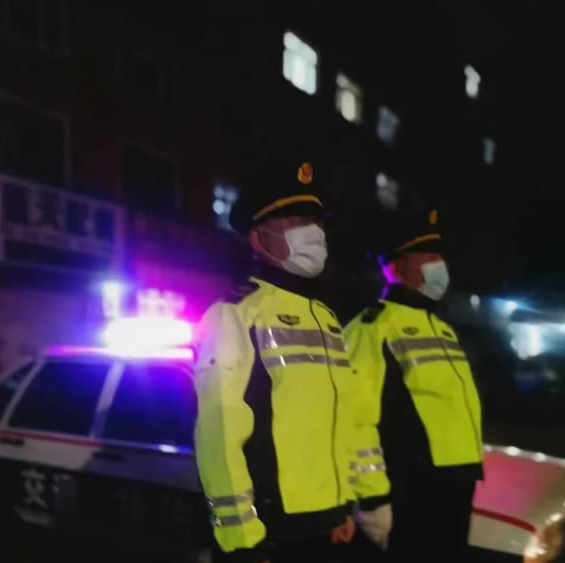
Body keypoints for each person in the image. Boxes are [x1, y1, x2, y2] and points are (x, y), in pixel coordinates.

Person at [194, 160, 391, 563]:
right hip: (269, 531)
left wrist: (342, 507)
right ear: (258, 238)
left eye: (315, 220)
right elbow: (219, 433)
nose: (313, 231)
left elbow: (341, 421)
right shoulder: (235, 314)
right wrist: (242, 541)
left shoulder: (326, 318)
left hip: (326, 527)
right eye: (296, 220)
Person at [344, 201, 484, 562]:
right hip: (408, 493)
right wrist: (372, 499)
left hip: (454, 487)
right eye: (426, 254)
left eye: (439, 253)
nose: (438, 262)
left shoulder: (442, 329)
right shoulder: (372, 328)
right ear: (394, 267)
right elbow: (355, 420)